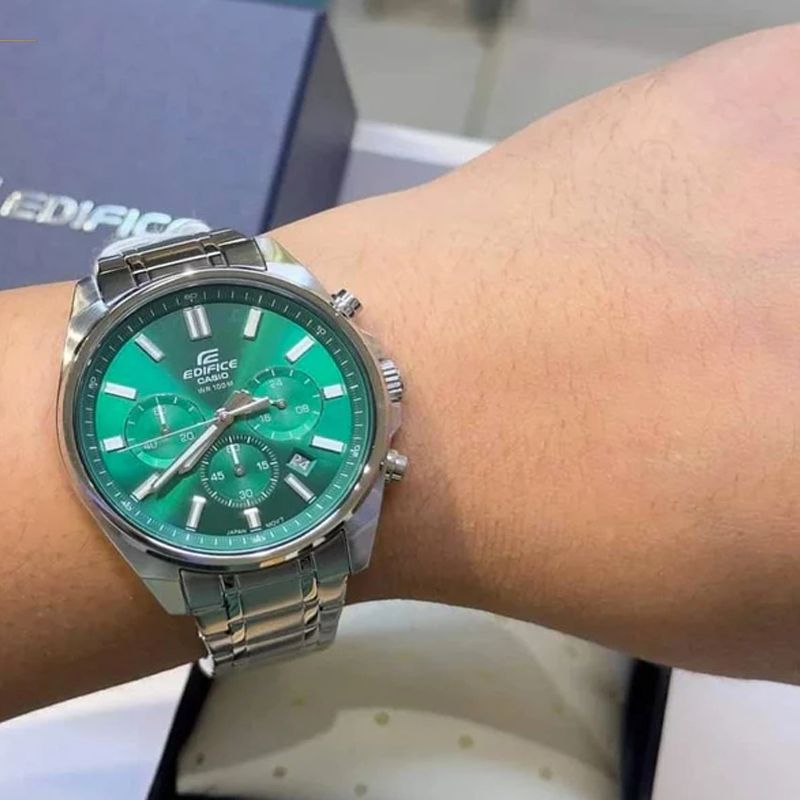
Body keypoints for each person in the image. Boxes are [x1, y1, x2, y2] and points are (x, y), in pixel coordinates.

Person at [2, 24, 799, 722]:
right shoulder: (134, 430)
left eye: (238, 405)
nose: (226, 414)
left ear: (376, 375)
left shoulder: (326, 395)